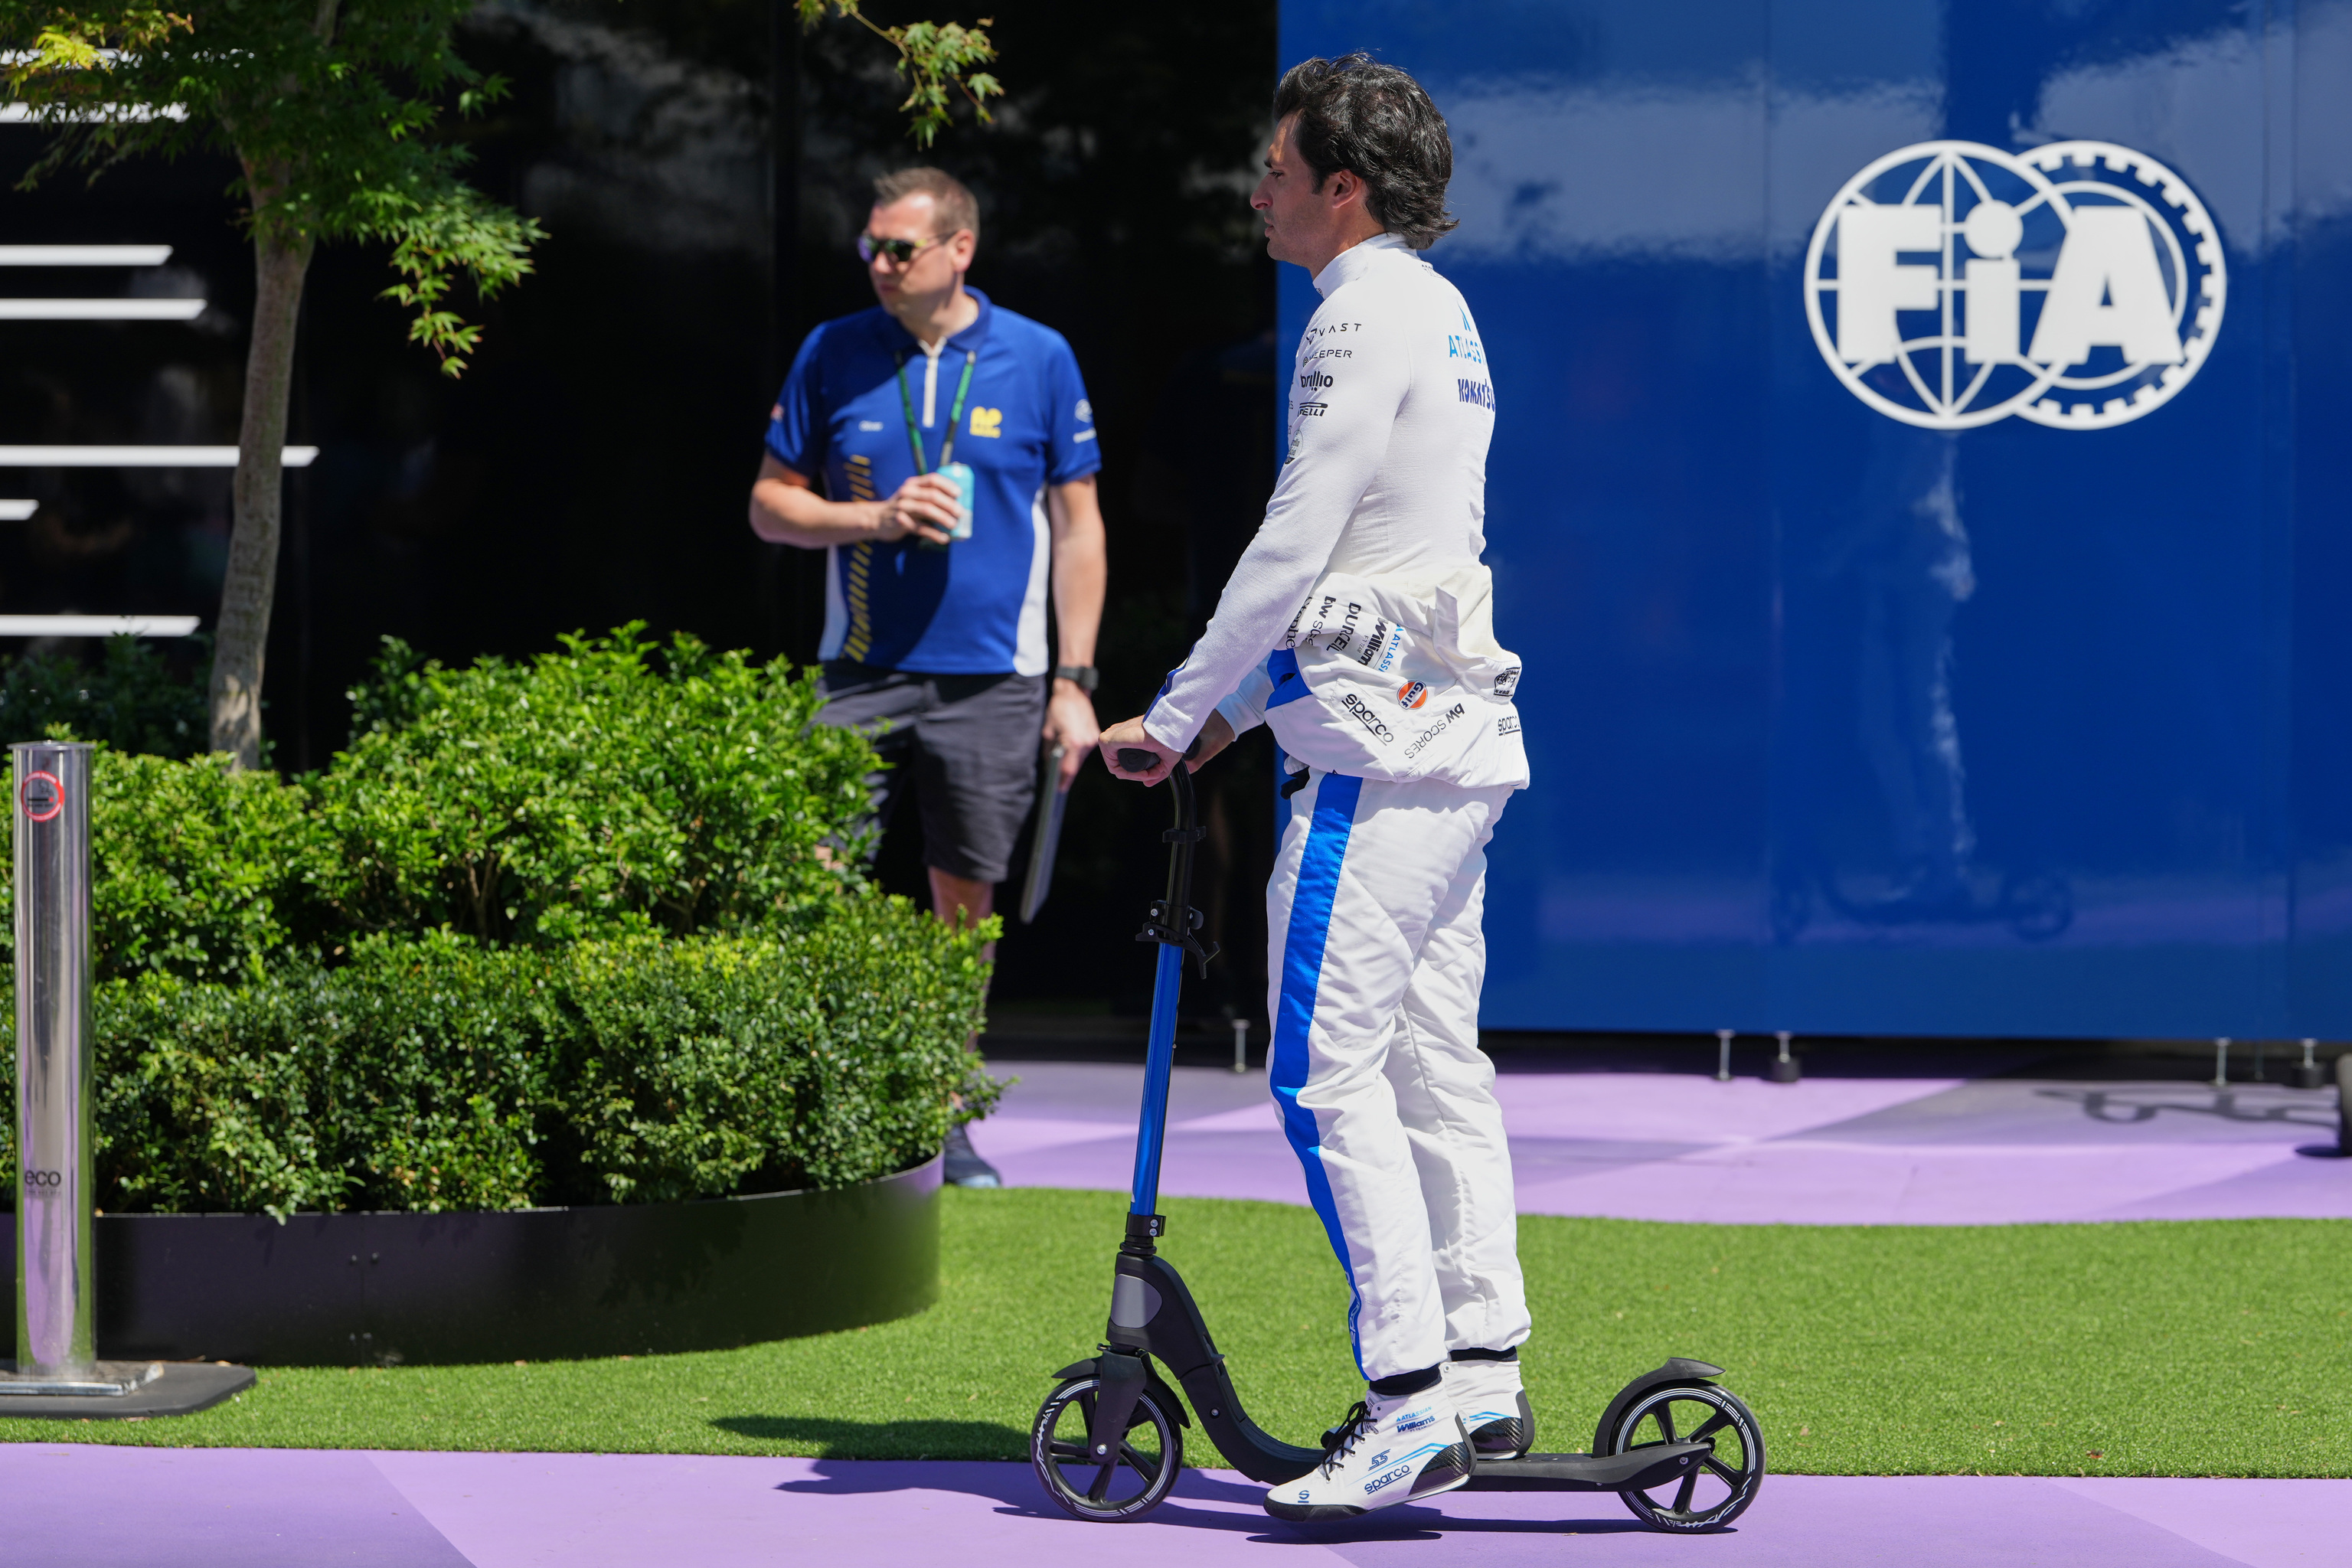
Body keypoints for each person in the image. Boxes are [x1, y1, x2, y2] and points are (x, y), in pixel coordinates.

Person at [1097, 56, 1532, 1521]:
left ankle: (1408, 1400)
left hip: (1376, 763)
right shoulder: (1443, 309)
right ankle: (1481, 1370)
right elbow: (1381, 567)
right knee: (1430, 1066)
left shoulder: (1360, 310)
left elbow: (1301, 543)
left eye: (1278, 166)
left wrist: (1174, 710)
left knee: (1323, 1076)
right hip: (1452, 746)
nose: (1258, 186)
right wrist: (1228, 715)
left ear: (1343, 183)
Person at [750, 168, 1106, 1187]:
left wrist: (1073, 681)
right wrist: (873, 517)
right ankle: (822, 1100)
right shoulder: (833, 350)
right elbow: (770, 506)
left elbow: (1081, 529)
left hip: (994, 677)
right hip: (857, 673)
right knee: (812, 884)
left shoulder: (1039, 357)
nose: (878, 265)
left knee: (964, 906)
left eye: (899, 249)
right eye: (869, 247)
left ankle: (945, 1120)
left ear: (960, 249)